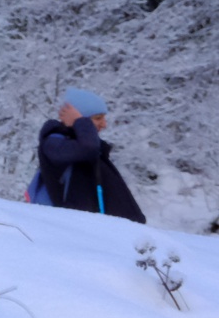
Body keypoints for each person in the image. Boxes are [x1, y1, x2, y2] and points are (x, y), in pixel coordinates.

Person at [33, 88, 146, 222]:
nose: (104, 124)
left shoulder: (85, 146)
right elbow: (88, 149)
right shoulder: (54, 143)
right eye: (98, 118)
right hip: (78, 228)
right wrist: (80, 121)